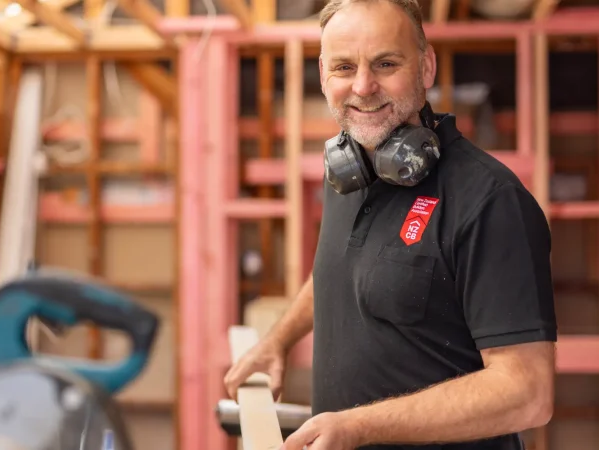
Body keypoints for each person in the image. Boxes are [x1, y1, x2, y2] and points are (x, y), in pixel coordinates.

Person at [222, 0, 558, 449]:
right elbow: (346, 271)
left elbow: (527, 393)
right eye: (344, 66)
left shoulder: (488, 201)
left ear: (426, 67)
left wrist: (358, 426)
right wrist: (278, 339)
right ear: (323, 74)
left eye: (385, 63)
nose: (363, 86)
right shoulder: (348, 173)